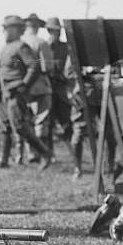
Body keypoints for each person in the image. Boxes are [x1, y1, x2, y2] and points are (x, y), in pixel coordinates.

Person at [0, 15, 53, 170]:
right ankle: (3, 160)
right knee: (5, 126)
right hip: (2, 93)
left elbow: (35, 67)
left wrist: (24, 85)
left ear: (17, 30)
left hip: (14, 92)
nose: (4, 31)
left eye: (8, 28)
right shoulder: (6, 47)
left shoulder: (22, 47)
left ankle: (44, 153)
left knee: (20, 126)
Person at [21, 13, 54, 164]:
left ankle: (28, 154)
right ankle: (41, 153)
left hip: (23, 87)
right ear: (37, 27)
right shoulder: (41, 43)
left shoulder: (18, 43)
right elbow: (47, 67)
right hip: (40, 87)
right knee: (41, 121)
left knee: (25, 121)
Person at [43, 17, 73, 158]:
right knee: (48, 124)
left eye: (58, 31)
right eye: (54, 31)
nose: (57, 33)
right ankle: (49, 155)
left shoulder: (66, 47)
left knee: (67, 122)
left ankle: (74, 154)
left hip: (62, 89)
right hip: (47, 89)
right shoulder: (44, 47)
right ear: (49, 31)